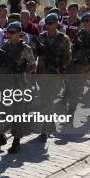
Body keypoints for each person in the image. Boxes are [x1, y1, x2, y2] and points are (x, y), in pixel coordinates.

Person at [0, 22, 36, 154]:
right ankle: (0, 136)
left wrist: (23, 71)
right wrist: (1, 60)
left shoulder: (25, 48)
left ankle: (16, 142)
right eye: (8, 32)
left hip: (18, 86)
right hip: (3, 84)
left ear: (19, 33)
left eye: (12, 32)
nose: (9, 35)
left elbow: (33, 65)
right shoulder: (4, 46)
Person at [32, 13, 71, 142]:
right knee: (45, 100)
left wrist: (61, 67)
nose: (47, 26)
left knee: (48, 100)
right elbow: (35, 53)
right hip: (43, 73)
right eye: (46, 23)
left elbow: (67, 57)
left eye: (50, 23)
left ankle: (44, 129)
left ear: (56, 24)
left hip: (56, 74)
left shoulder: (63, 38)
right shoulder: (41, 37)